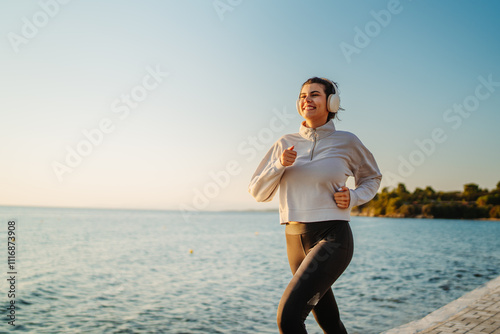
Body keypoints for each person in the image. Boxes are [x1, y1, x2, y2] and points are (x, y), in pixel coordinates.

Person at [248, 77, 382, 333]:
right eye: (302, 95)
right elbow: (257, 192)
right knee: (329, 320)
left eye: (314, 94)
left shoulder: (347, 141)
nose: (306, 99)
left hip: (332, 237)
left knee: (288, 318)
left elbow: (372, 177)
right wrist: (279, 165)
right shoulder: (284, 143)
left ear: (332, 102)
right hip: (294, 240)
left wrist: (353, 197)